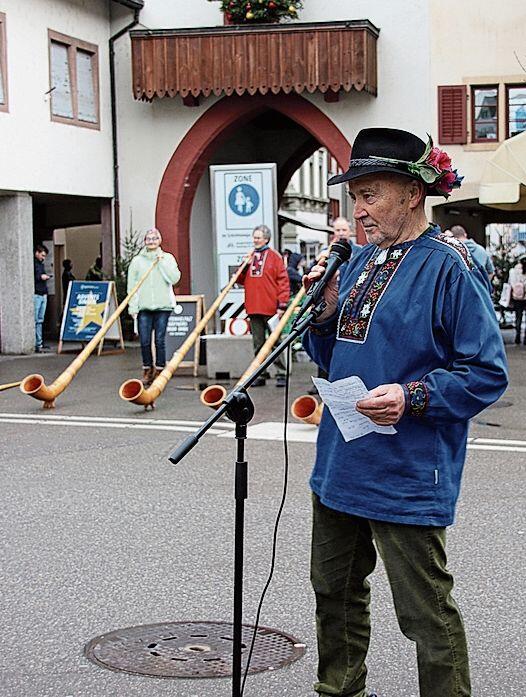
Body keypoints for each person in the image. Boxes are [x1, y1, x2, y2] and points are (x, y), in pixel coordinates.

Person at [302, 128, 508, 697]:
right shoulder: (360, 261)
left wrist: (412, 396)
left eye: (370, 195)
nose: (358, 210)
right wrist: (320, 314)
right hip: (341, 463)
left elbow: (487, 372)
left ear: (412, 193)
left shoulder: (449, 266)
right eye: (355, 196)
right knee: (333, 590)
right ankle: (338, 689)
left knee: (425, 615)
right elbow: (335, 353)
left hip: (409, 471)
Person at [237, 224, 290, 387]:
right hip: (253, 306)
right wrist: (244, 265)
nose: (255, 240)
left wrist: (282, 304)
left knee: (274, 341)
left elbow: (283, 281)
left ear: (266, 239)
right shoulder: (250, 257)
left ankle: (282, 372)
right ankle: (260, 373)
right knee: (258, 342)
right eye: (254, 237)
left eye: (258, 237)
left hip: (270, 306)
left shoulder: (274, 257)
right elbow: (239, 280)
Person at [127, 228, 181, 386]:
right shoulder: (137, 261)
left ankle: (160, 369)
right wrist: (132, 307)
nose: (151, 241)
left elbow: (175, 278)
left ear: (160, 240)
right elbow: (132, 286)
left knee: (159, 339)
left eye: (154, 238)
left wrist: (161, 261)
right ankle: (147, 368)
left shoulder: (167, 258)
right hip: (144, 307)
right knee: (144, 340)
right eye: (148, 239)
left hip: (163, 306)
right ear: (145, 241)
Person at [33, 244, 51, 353]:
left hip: (43, 293)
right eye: (42, 255)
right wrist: (41, 277)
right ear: (37, 253)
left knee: (40, 320)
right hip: (37, 293)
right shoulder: (34, 265)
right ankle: (37, 343)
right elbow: (35, 277)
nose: (43, 258)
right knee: (36, 320)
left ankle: (39, 342)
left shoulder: (41, 265)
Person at [508, 256, 526, 344]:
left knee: (518, 317)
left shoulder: (513, 271)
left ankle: (517, 336)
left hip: (517, 297)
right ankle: (525, 338)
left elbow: (510, 284)